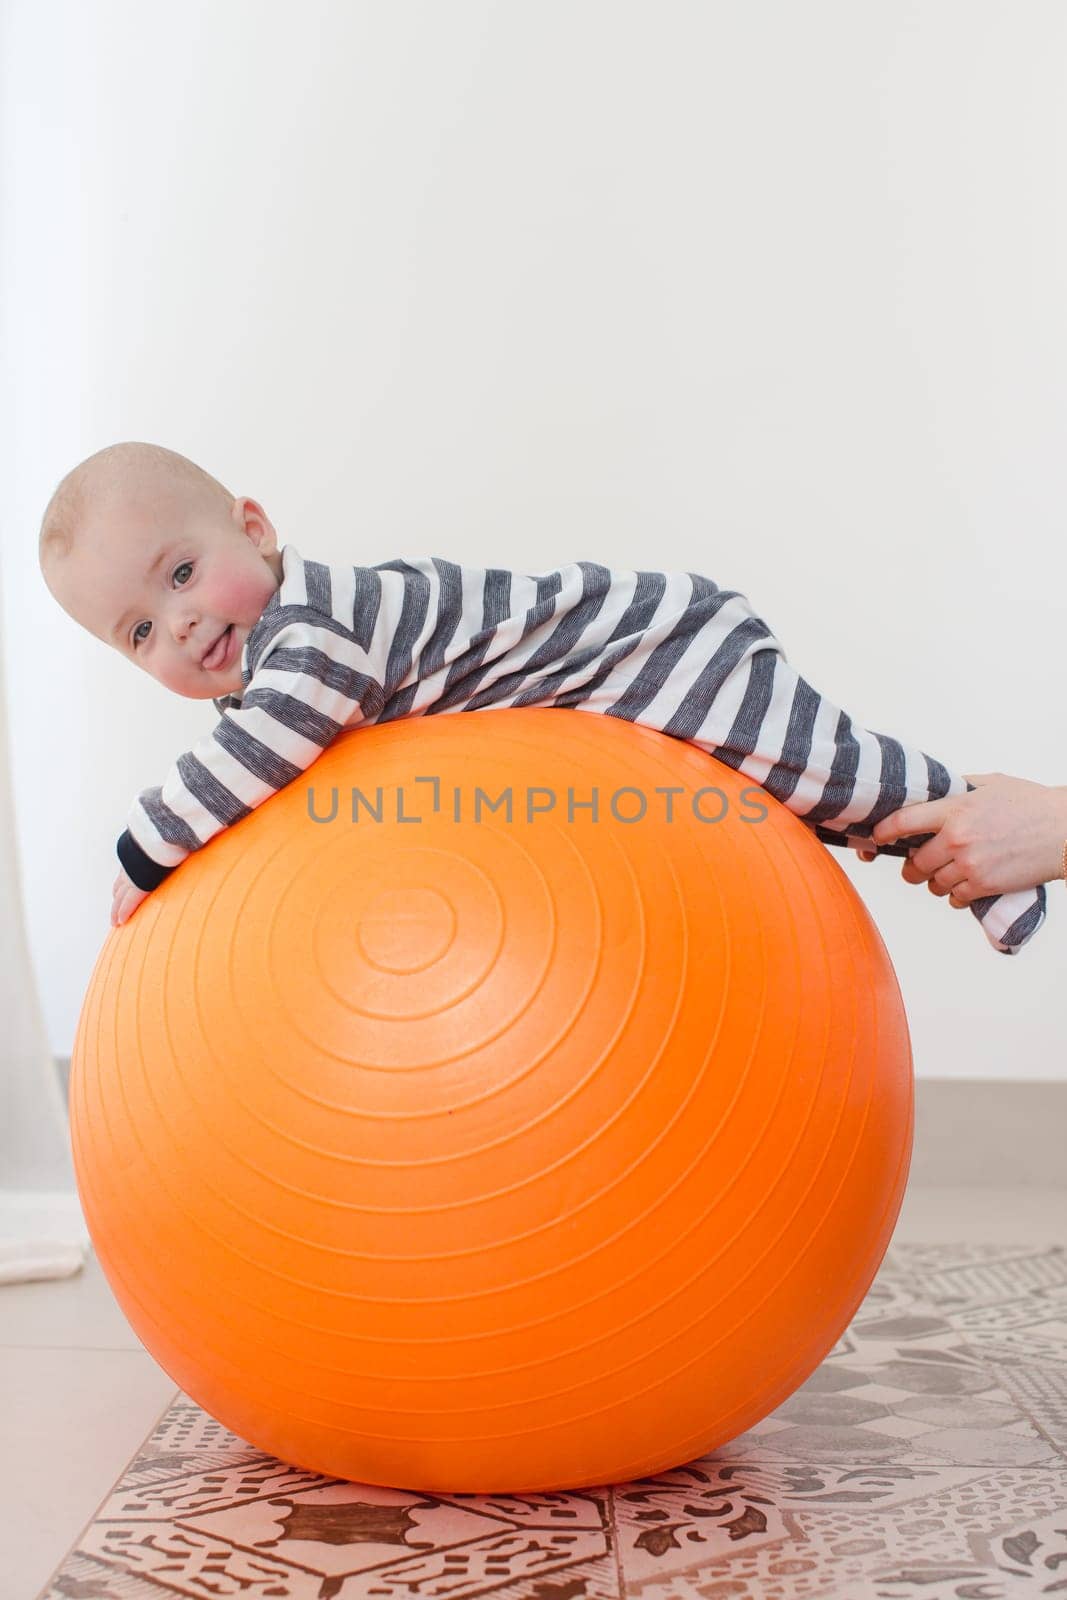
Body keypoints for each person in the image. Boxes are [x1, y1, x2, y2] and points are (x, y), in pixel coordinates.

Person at [38, 441, 1057, 956]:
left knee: (825, 774)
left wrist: (146, 845)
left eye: (178, 575)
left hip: (652, 650)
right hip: (613, 692)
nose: (174, 625)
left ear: (253, 527)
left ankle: (970, 820)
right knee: (811, 807)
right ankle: (960, 839)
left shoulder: (313, 635)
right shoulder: (280, 668)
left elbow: (262, 748)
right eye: (137, 631)